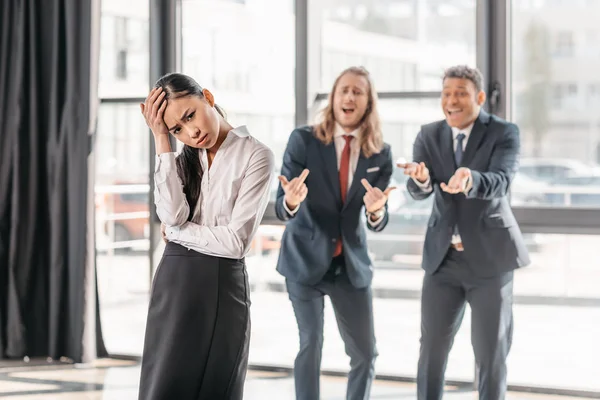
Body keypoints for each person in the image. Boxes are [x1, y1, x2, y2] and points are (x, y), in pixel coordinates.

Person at [137, 72, 274, 400]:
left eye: (190, 116)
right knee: (163, 389)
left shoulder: (256, 155)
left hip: (222, 287)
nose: (191, 132)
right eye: (177, 130)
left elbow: (235, 243)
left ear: (208, 98)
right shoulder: (182, 158)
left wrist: (177, 232)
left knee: (218, 387)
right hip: (174, 282)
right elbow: (171, 214)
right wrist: (161, 140)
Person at [399, 65, 530, 400]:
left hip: (490, 261)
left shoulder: (504, 132)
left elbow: (501, 180)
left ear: (480, 97)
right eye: (446, 93)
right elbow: (419, 189)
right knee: (431, 351)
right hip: (443, 260)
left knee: (490, 354)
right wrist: (420, 179)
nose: (451, 101)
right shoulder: (429, 134)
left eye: (460, 93)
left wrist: (471, 178)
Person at [275, 66, 394, 400]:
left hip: (349, 265)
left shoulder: (380, 153)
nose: (349, 96)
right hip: (304, 259)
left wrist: (376, 210)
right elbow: (281, 206)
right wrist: (291, 201)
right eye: (343, 90)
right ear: (333, 97)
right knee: (311, 344)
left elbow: (377, 217)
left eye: (358, 91)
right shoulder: (304, 140)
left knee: (365, 354)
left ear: (368, 102)